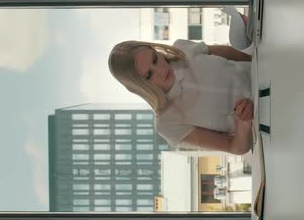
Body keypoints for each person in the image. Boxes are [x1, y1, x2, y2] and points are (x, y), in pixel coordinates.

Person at [108, 9, 254, 155]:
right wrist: (243, 123)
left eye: (155, 59)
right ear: (141, 87)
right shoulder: (167, 123)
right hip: (265, 122)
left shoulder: (183, 49)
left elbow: (237, 54)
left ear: (155, 49)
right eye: (149, 75)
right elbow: (236, 147)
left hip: (270, 72)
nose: (161, 70)